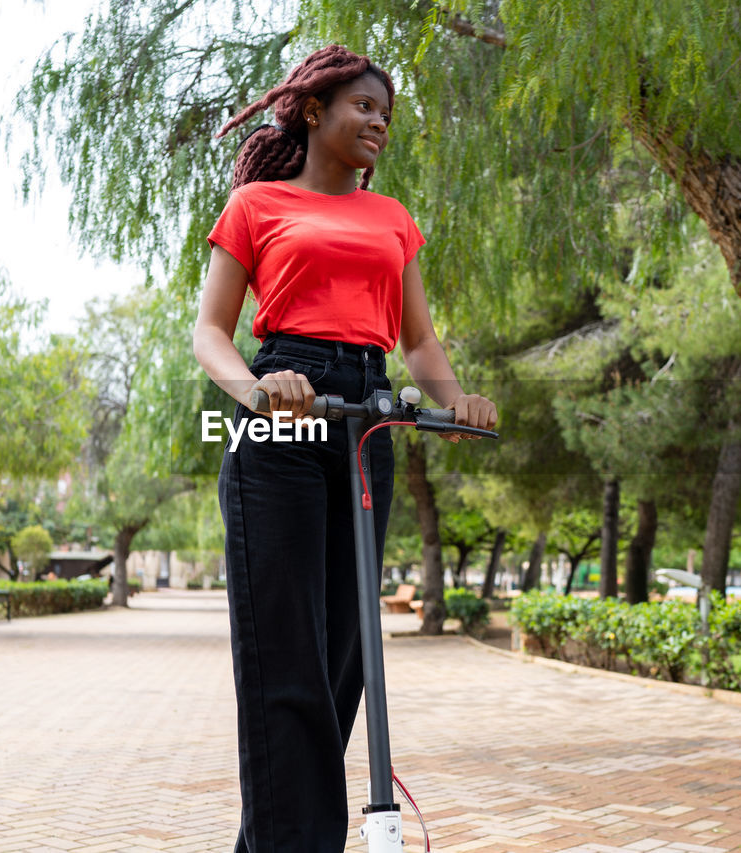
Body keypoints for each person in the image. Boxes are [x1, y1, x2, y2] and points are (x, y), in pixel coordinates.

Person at [192, 44, 497, 852]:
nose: (378, 123)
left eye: (386, 115)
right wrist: (258, 392)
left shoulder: (392, 218)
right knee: (285, 651)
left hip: (367, 417)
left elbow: (420, 340)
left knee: (343, 661)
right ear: (315, 110)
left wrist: (455, 398)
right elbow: (210, 333)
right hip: (284, 412)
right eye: (364, 107)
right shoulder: (257, 205)